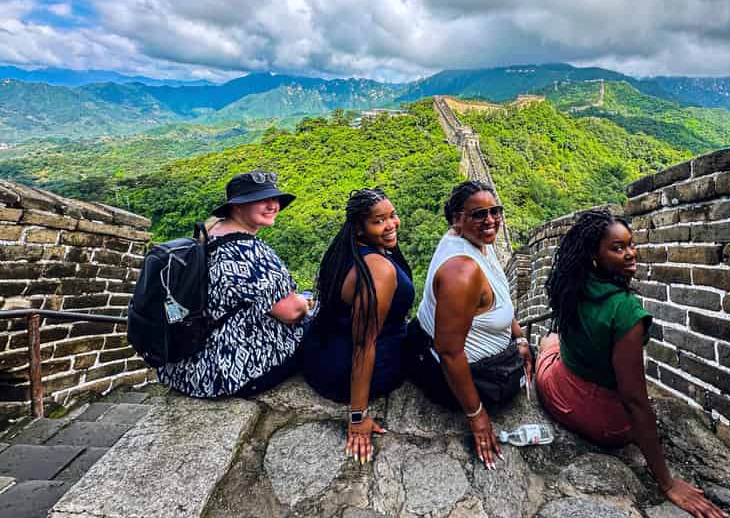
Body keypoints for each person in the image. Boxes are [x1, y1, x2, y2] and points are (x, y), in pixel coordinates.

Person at [535, 209, 724, 518]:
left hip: (556, 389)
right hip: (604, 424)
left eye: (630, 244)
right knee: (552, 343)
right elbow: (635, 401)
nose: (630, 254)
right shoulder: (626, 312)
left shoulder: (573, 286)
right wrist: (667, 483)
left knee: (548, 341)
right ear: (594, 256)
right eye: (617, 248)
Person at [408, 180, 532, 471]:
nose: (490, 220)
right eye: (479, 214)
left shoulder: (474, 242)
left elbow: (501, 299)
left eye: (495, 211)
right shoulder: (461, 272)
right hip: (451, 372)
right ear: (457, 219)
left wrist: (520, 340)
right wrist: (477, 417)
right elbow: (450, 353)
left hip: (448, 351)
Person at [157, 170, 309, 398]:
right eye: (261, 200)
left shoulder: (207, 236)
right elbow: (291, 312)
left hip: (186, 368)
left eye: (274, 198)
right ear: (237, 206)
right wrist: (306, 303)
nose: (272, 205)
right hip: (225, 373)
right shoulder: (248, 251)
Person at [303, 188, 414, 464]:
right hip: (346, 372)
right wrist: (357, 417)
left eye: (393, 215)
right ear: (359, 228)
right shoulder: (379, 270)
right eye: (379, 221)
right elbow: (364, 344)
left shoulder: (348, 252)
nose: (391, 225)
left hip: (321, 352)